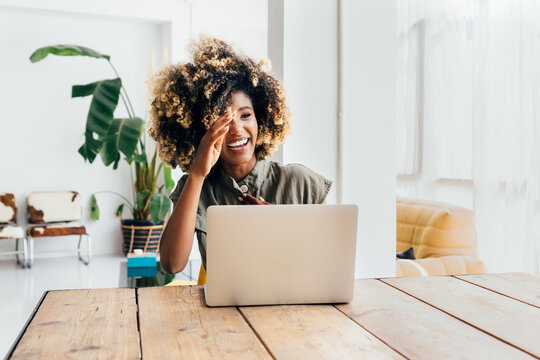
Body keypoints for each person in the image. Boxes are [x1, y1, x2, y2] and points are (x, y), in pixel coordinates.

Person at [149, 37, 331, 274]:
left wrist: (279, 226)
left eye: (245, 115)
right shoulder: (196, 189)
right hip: (225, 309)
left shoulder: (301, 182)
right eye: (221, 121)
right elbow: (172, 264)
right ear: (201, 131)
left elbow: (331, 260)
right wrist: (196, 174)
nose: (236, 129)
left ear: (261, 119)